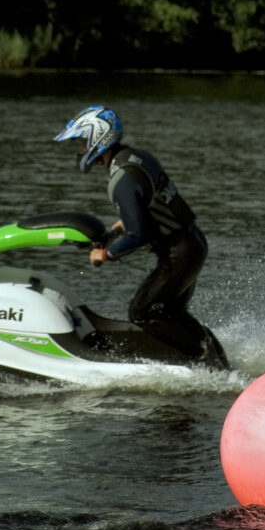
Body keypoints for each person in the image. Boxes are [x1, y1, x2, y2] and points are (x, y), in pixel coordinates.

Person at [54, 105, 228, 368]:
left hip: (179, 254)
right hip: (192, 244)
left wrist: (106, 253)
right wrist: (118, 228)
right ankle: (217, 362)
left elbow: (138, 234)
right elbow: (153, 204)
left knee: (143, 312)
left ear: (97, 138)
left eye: (82, 142)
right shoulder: (135, 157)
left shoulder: (120, 178)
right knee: (171, 313)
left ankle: (202, 363)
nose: (80, 149)